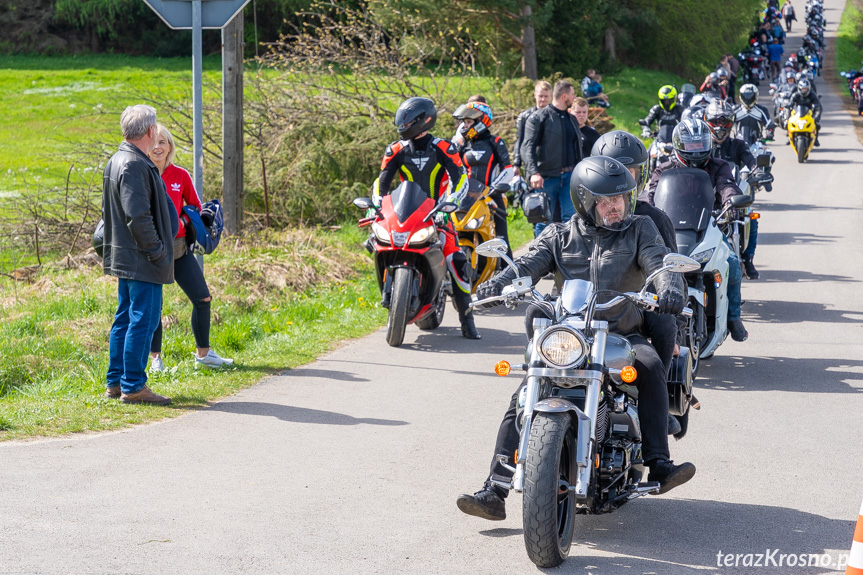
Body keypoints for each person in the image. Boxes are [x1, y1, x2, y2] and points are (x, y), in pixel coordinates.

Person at [455, 156, 695, 521]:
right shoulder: (559, 235)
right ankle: (495, 488)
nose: (616, 206)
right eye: (606, 200)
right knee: (523, 393)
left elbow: (659, 262)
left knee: (649, 365)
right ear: (584, 201)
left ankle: (658, 462)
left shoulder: (640, 228)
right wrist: (497, 283)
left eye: (621, 198)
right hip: (570, 335)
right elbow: (525, 265)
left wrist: (670, 287)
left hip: (622, 332)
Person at [375, 96, 480, 339]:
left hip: (438, 213)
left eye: (407, 122)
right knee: (377, 242)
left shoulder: (444, 148)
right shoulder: (395, 150)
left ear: (423, 121)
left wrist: (451, 202)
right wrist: (376, 205)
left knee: (458, 262)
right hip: (406, 214)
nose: (402, 127)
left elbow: (460, 179)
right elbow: (381, 183)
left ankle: (467, 321)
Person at [644, 118, 748, 342]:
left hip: (708, 225)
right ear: (679, 145)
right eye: (690, 145)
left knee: (732, 265)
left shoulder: (719, 166)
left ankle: (733, 318)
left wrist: (730, 202)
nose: (696, 150)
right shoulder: (664, 169)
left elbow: (727, 185)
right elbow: (651, 193)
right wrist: (645, 207)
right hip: (669, 227)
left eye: (700, 144)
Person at [102, 105, 177, 405]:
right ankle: (132, 385)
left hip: (127, 256)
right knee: (142, 320)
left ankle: (116, 383)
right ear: (149, 131)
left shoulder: (118, 159)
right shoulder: (133, 164)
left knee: (125, 318)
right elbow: (137, 216)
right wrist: (158, 251)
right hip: (141, 258)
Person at [146, 124, 234, 372]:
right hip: (153, 252)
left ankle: (203, 356)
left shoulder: (181, 175)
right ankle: (155, 360)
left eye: (163, 142)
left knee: (203, 298)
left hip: (179, 249)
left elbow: (196, 207)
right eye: (154, 142)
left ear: (170, 146)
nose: (158, 147)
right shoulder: (143, 173)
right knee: (154, 306)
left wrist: (182, 221)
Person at [706, 100, 769, 280]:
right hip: (706, 196)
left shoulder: (738, 145)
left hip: (734, 194)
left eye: (724, 121)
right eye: (716, 121)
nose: (719, 126)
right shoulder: (702, 146)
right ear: (707, 121)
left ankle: (748, 259)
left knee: (751, 217)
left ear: (731, 123)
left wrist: (757, 170)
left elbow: (749, 159)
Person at [451, 101, 514, 258]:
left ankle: (512, 279)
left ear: (481, 121)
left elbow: (508, 170)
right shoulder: (462, 144)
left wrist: (494, 188)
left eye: (469, 122)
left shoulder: (495, 142)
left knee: (502, 240)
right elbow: (452, 168)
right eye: (464, 122)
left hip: (491, 195)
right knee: (452, 236)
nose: (465, 126)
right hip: (466, 198)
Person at [522, 80, 584, 237]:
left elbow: (578, 149)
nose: (574, 97)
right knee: (544, 220)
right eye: (572, 94)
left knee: (571, 219)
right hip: (546, 178)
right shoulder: (538, 118)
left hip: (570, 176)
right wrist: (533, 172)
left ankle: (568, 256)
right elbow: (526, 147)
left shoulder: (572, 119)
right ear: (564, 96)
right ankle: (541, 258)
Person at [513, 80, 552, 177]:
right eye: (540, 96)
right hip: (532, 163)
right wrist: (516, 164)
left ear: (551, 96)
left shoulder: (555, 116)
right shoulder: (525, 116)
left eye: (546, 96)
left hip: (551, 164)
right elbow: (520, 140)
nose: (543, 99)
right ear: (535, 95)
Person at [789, 78, 821, 146]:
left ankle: (815, 138)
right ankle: (790, 137)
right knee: (789, 123)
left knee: (816, 125)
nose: (804, 91)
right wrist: (788, 106)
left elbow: (817, 105)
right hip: (797, 113)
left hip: (809, 113)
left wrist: (816, 116)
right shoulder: (795, 95)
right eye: (803, 89)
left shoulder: (812, 95)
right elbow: (790, 103)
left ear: (808, 88)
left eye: (805, 89)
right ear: (799, 89)